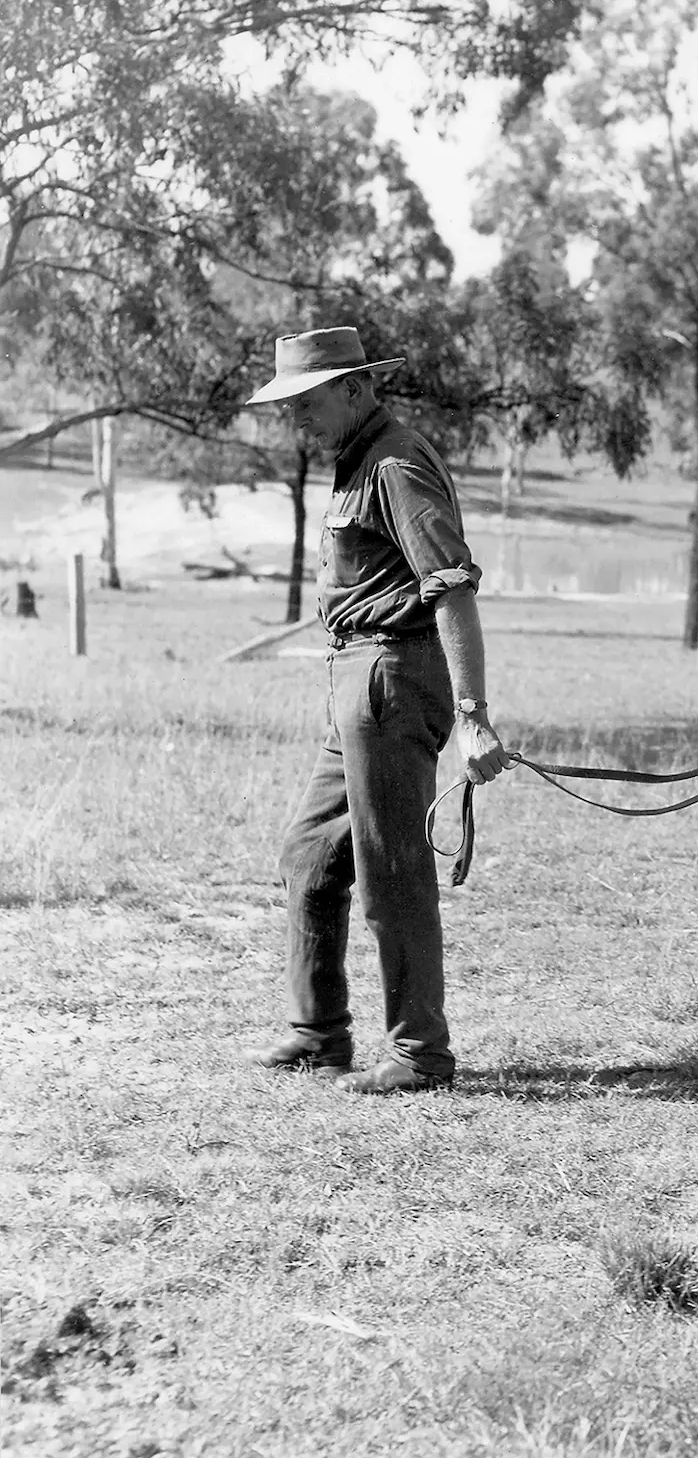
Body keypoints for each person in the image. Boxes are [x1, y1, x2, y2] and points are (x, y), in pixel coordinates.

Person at [241, 327, 511, 1094]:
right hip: (355, 675)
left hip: (393, 674)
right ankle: (319, 1035)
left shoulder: (395, 462)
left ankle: (419, 1053)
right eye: (288, 403)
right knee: (310, 853)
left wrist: (472, 715)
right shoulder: (355, 460)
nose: (296, 416)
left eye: (307, 399)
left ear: (356, 388)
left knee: (391, 867)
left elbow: (451, 584)